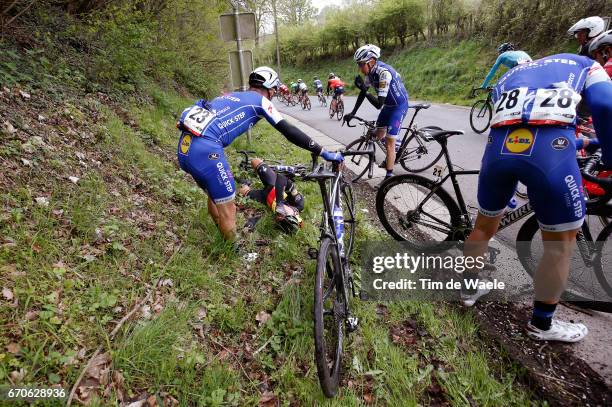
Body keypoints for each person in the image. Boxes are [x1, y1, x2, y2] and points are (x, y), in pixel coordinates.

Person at [461, 53, 612, 342]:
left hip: (498, 150)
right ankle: (542, 324)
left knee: (482, 227)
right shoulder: (585, 64)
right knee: (558, 247)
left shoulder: (509, 75)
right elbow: (606, 104)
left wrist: (581, 140)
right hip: (550, 153)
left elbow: (523, 121)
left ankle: (468, 290)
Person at [176, 66, 343, 240]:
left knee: (214, 196)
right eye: (274, 91)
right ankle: (231, 253)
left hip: (185, 148)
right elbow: (288, 131)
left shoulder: (230, 96)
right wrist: (322, 151)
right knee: (228, 208)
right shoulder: (261, 101)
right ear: (270, 89)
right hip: (206, 151)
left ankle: (222, 240)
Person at [343, 44, 409, 179]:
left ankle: (388, 178)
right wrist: (353, 112)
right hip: (388, 106)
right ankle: (397, 143)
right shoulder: (371, 73)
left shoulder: (384, 74)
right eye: (358, 65)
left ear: (371, 61)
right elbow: (363, 94)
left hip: (398, 106)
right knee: (378, 135)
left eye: (361, 64)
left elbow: (378, 104)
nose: (360, 68)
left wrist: (364, 89)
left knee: (389, 144)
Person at [239, 158, 305, 233]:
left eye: (279, 217)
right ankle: (267, 169)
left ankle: (246, 182)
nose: (279, 214)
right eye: (285, 214)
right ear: (295, 213)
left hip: (266, 197)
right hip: (273, 182)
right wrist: (279, 201)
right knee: (255, 161)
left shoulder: (279, 217)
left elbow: (262, 218)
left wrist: (252, 223)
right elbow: (282, 178)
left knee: (242, 191)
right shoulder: (298, 202)